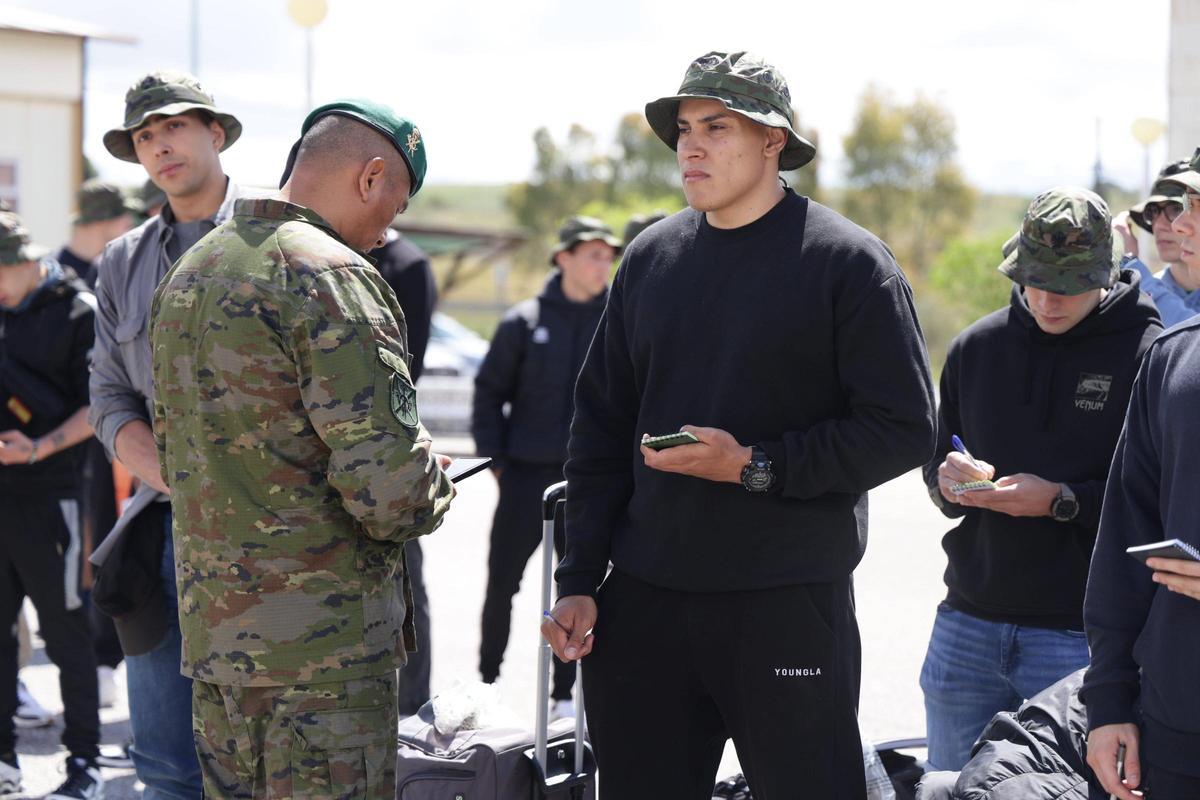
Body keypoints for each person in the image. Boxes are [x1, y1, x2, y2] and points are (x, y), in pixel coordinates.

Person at [541, 51, 937, 799]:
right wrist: (580, 577)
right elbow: (599, 429)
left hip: (785, 604)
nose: (691, 146)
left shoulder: (849, 263)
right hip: (645, 603)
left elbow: (904, 427)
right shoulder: (650, 258)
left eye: (717, 127)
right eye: (685, 129)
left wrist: (756, 465)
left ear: (773, 141)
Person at [152, 98, 455, 798]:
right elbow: (393, 494)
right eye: (396, 204)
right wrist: (433, 481)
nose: (388, 231)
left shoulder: (194, 267)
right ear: (370, 176)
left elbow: (177, 454)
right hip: (322, 659)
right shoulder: (331, 275)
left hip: (220, 645)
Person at [920, 188, 1162, 772]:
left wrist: (1060, 501)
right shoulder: (976, 348)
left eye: (1068, 286)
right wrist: (949, 482)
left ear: (1104, 274)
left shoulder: (1150, 357)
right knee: (947, 786)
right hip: (967, 624)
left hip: (1081, 639)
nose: (1048, 301)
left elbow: (1157, 504)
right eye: (1034, 282)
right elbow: (936, 463)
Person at [88, 69, 247, 798]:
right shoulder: (122, 260)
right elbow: (108, 394)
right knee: (164, 765)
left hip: (268, 540)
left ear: (215, 132)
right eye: (145, 136)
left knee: (264, 759)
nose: (159, 146)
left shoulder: (278, 237)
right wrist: (172, 477)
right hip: (160, 528)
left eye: (174, 126)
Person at [1082, 151, 1200, 800]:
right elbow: (1126, 540)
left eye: (1196, 209)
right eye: (1178, 210)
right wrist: (1108, 701)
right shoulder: (1172, 359)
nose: (1177, 226)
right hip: (1175, 729)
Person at [473, 215, 619, 719]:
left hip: (587, 484)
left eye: (608, 256)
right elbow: (488, 395)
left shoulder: (615, 322)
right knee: (503, 583)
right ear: (564, 258)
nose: (603, 265)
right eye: (593, 254)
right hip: (525, 479)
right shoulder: (524, 321)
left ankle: (562, 697)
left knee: (576, 588)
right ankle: (486, 684)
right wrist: (498, 464)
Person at [0, 211, 103, 799]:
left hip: (51, 497)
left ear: (23, 260)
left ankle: (84, 764)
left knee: (66, 635)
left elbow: (99, 406)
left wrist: (38, 448)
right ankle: (4, 762)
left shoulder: (76, 311)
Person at [58, 179, 137, 709]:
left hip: (113, 440)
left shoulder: (117, 269)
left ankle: (107, 656)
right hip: (64, 450)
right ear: (105, 220)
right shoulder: (53, 279)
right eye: (123, 217)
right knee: (78, 557)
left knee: (112, 548)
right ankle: (93, 660)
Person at [369, 228, 438, 715]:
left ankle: (412, 709)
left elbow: (406, 373)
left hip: (387, 445)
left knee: (406, 584)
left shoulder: (407, 264)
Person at [1112, 159, 1200, 327]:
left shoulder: (1146, 286)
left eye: (1177, 208)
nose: (1159, 225)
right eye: (1153, 211)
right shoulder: (1151, 284)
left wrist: (1132, 268)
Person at [56, 179, 137, 290]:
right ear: (100, 219)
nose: (129, 220)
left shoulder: (114, 266)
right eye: (121, 213)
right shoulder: (54, 274)